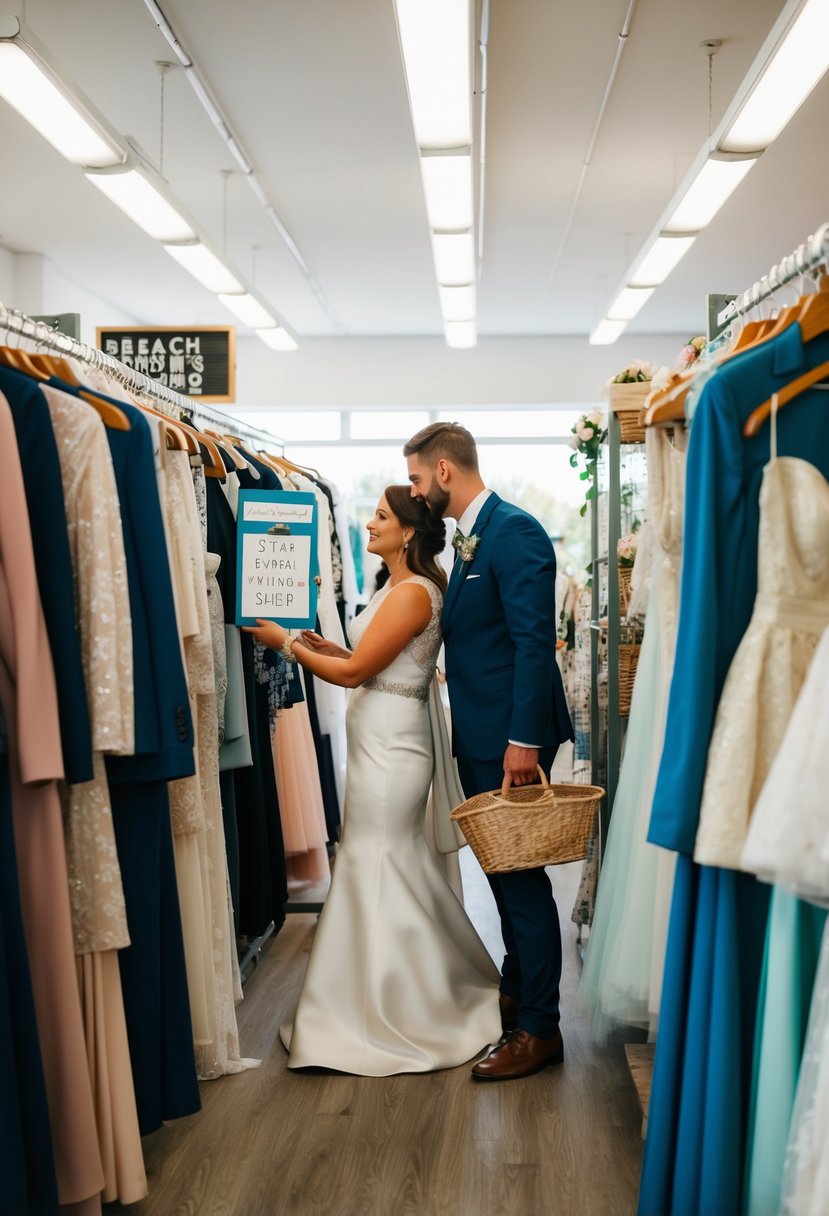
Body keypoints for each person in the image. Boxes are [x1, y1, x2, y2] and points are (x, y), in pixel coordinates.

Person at [244, 485, 500, 1075]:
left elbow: (357, 672)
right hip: (378, 736)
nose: (369, 525)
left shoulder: (414, 593)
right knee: (382, 858)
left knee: (376, 857)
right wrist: (311, 637)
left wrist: (284, 643)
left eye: (381, 517)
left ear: (409, 531)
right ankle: (386, 992)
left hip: (395, 746)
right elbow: (361, 653)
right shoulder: (395, 587)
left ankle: (394, 1006)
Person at [404, 422, 574, 1081]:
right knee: (503, 877)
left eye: (418, 480)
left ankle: (540, 1028)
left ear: (444, 472)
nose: (417, 493)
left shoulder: (515, 530)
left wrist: (521, 744)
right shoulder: (475, 536)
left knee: (521, 880)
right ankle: (515, 988)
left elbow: (534, 644)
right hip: (483, 732)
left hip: (511, 741)